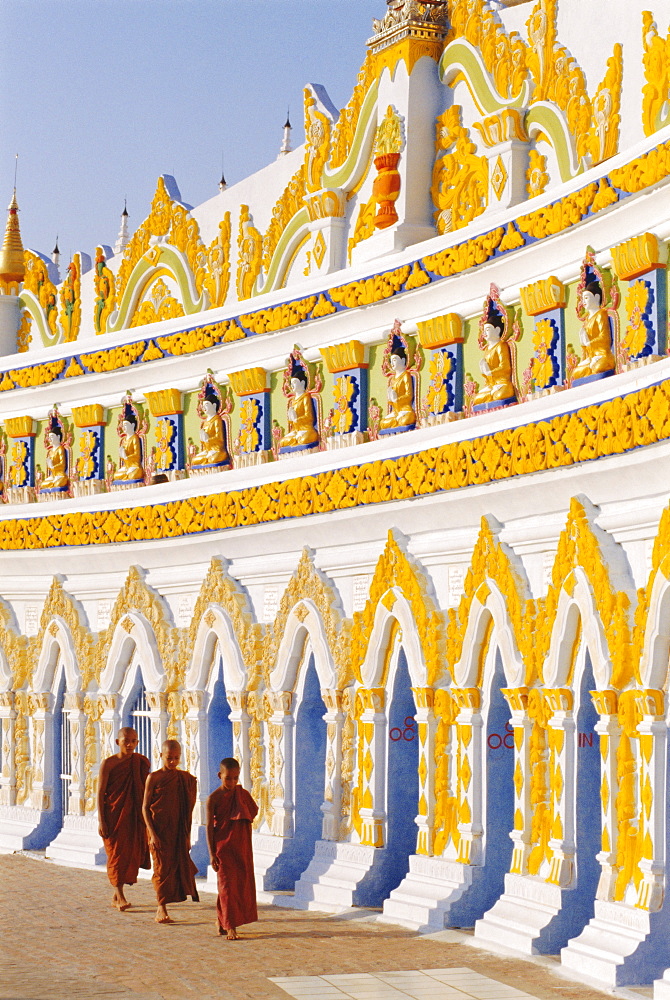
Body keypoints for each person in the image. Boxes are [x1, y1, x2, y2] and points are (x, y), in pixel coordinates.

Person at [142, 739, 199, 924]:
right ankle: (161, 907)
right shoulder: (154, 778)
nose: (173, 762)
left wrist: (187, 836)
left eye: (176, 758)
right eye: (169, 758)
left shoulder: (184, 779)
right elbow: (145, 808)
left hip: (177, 832)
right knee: (161, 868)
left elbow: (187, 811)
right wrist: (152, 834)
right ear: (161, 756)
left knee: (174, 867)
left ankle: (167, 902)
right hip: (159, 831)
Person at [97, 727, 150, 911]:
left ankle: (116, 894)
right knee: (116, 854)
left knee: (130, 854)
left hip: (133, 816)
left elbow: (145, 789)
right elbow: (100, 793)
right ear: (117, 742)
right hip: (114, 816)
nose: (129, 744)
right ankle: (120, 897)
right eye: (126, 740)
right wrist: (101, 820)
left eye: (133, 741)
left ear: (137, 743)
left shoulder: (140, 762)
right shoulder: (109, 764)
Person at [206, 757, 258, 940]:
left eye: (236, 778)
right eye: (228, 778)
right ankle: (231, 926)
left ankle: (221, 920)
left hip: (240, 846)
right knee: (226, 886)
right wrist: (212, 854)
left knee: (235, 885)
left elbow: (253, 811)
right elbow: (209, 828)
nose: (232, 782)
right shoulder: (213, 798)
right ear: (220, 776)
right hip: (222, 848)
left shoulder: (241, 794)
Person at [572, 281, 615, 382]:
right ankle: (590, 365)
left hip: (603, 355)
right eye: (582, 298)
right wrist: (583, 342)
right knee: (576, 373)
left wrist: (590, 343)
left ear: (596, 297)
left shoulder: (601, 314)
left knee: (598, 368)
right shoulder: (587, 320)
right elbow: (586, 347)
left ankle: (593, 365)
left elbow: (605, 337)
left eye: (586, 297)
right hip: (592, 357)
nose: (583, 301)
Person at [474, 311, 516, 407]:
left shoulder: (500, 346)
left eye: (488, 329)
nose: (484, 333)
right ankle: (491, 393)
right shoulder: (487, 349)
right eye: (483, 330)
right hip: (491, 385)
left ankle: (492, 394)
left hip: (503, 383)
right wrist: (485, 372)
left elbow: (505, 367)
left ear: (497, 330)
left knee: (499, 395)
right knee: (476, 399)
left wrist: (491, 372)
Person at [279, 366, 319, 449]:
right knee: (282, 442)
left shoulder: (305, 397)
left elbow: (309, 417)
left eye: (295, 383)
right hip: (296, 430)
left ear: (302, 383)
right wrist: (291, 419)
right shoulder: (293, 400)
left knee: (303, 440)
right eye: (291, 383)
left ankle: (297, 439)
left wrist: (297, 419)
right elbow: (292, 421)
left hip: (307, 428)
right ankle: (295, 438)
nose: (292, 386)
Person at [380, 344, 416, 430]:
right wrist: (391, 399)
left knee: (406, 420)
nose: (392, 363)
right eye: (391, 360)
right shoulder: (392, 379)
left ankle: (396, 421)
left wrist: (397, 399)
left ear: (403, 360)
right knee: (382, 423)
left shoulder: (405, 376)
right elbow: (391, 400)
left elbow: (409, 395)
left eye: (395, 360)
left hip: (405, 409)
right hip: (396, 411)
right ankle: (396, 420)